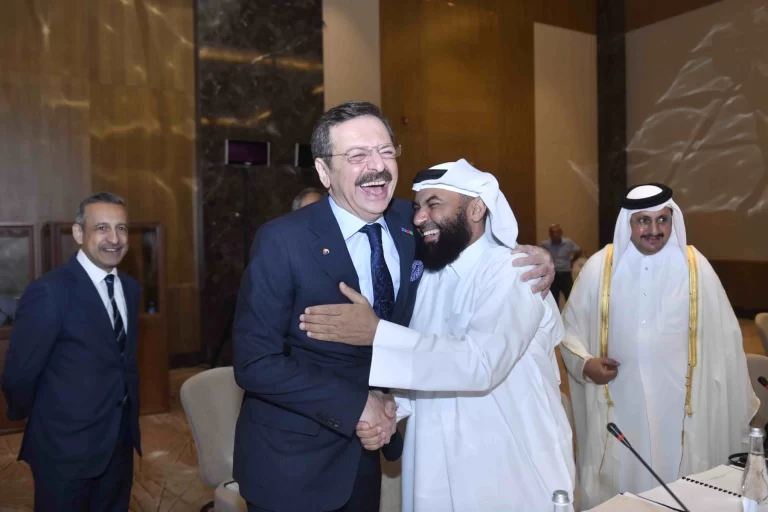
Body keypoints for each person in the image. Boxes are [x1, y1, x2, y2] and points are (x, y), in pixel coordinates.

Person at [232, 102, 556, 512]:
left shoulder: (412, 221)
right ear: (324, 172)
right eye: (357, 155)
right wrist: (353, 405)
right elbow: (254, 362)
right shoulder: (283, 241)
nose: (377, 166)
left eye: (386, 151)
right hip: (293, 463)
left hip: (366, 458)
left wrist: (537, 256)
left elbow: (471, 236)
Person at [298, 159, 575, 511]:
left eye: (433, 204)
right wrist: (391, 408)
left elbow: (480, 364)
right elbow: (427, 366)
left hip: (507, 461)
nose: (419, 218)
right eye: (417, 207)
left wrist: (377, 333)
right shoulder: (427, 277)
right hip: (433, 463)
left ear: (476, 208)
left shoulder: (513, 272)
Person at [559, 183, 759, 509]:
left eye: (662, 220)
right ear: (628, 223)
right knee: (625, 484)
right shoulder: (599, 268)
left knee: (681, 484)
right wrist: (585, 364)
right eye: (643, 221)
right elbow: (568, 331)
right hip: (621, 403)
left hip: (682, 407)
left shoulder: (696, 268)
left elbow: (726, 341)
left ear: (672, 220)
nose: (654, 230)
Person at [2, 192, 141, 512]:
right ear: (79, 233)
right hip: (65, 449)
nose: (114, 239)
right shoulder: (49, 292)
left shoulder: (130, 288)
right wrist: (45, 420)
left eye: (121, 228)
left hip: (119, 442)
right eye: (102, 228)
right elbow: (18, 375)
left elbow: (121, 364)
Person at [540, 224, 581, 307]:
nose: (555, 235)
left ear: (561, 233)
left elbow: (579, 251)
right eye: (552, 233)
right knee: (554, 299)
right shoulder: (545, 244)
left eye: (557, 232)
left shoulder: (568, 243)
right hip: (553, 274)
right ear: (550, 234)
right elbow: (540, 255)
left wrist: (572, 261)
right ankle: (556, 314)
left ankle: (570, 314)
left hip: (565, 274)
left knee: (570, 297)